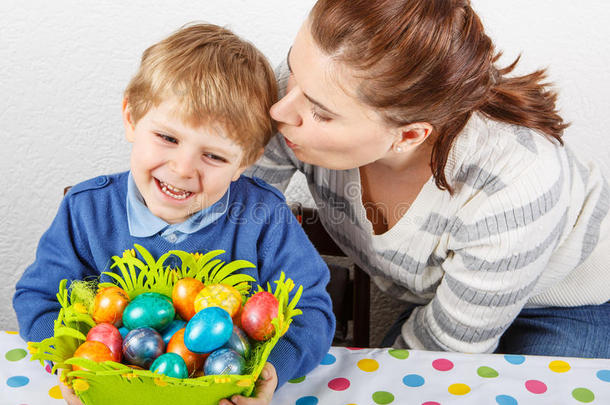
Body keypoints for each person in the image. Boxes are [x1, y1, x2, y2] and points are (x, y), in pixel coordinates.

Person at [247, 0, 610, 358]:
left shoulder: (513, 186)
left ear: (408, 136)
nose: (279, 110)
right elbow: (236, 221)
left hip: (566, 303)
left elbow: (445, 352)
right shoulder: (309, 87)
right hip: (443, 301)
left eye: (321, 114)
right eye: (293, 65)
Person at [13, 23, 335, 405]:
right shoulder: (87, 210)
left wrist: (273, 371)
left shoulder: (265, 216)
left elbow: (311, 312)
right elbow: (37, 299)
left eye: (214, 156)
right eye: (168, 138)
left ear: (244, 163)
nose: (183, 168)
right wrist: (71, 363)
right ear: (131, 118)